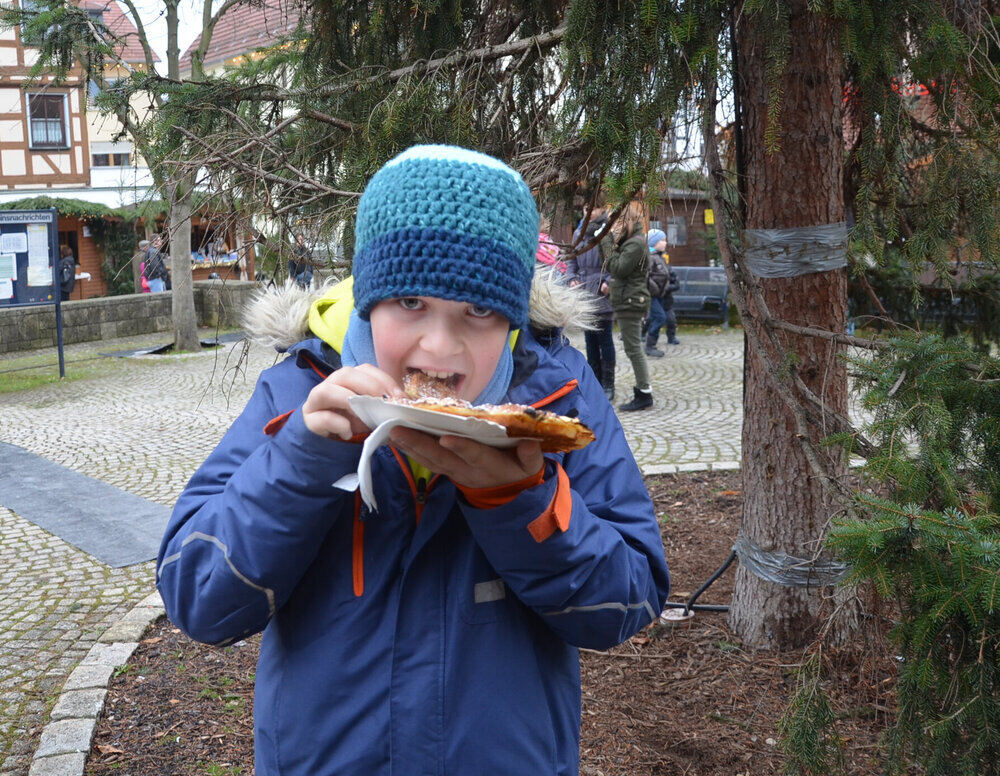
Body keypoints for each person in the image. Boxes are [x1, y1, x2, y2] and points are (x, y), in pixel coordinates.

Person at [157, 145, 670, 776]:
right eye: (410, 304)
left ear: (509, 318)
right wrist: (304, 460)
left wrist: (520, 502)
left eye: (477, 311)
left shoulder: (559, 397)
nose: (438, 348)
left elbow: (625, 602)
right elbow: (200, 597)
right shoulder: (300, 389)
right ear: (370, 298)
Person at [602, 202, 654, 411]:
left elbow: (618, 268)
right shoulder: (630, 242)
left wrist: (606, 241)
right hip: (627, 299)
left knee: (634, 349)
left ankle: (644, 393)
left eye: (615, 222)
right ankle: (643, 392)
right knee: (633, 348)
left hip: (631, 301)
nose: (612, 227)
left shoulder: (635, 244)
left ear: (626, 221)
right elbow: (609, 263)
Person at [565, 207, 615, 399]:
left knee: (605, 341)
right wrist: (571, 278)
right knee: (590, 342)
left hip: (601, 293)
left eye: (592, 206)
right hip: (584, 294)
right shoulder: (578, 233)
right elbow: (571, 262)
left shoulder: (606, 232)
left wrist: (608, 282)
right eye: (586, 207)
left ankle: (609, 384)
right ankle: (595, 383)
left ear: (601, 208)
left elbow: (614, 263)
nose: (588, 210)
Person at [643, 229, 680, 356]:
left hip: (660, 296)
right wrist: (655, 289)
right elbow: (645, 277)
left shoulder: (659, 257)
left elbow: (666, 275)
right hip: (652, 295)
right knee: (660, 317)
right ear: (654, 243)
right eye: (662, 240)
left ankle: (650, 345)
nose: (665, 243)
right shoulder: (650, 258)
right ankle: (649, 346)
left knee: (657, 317)